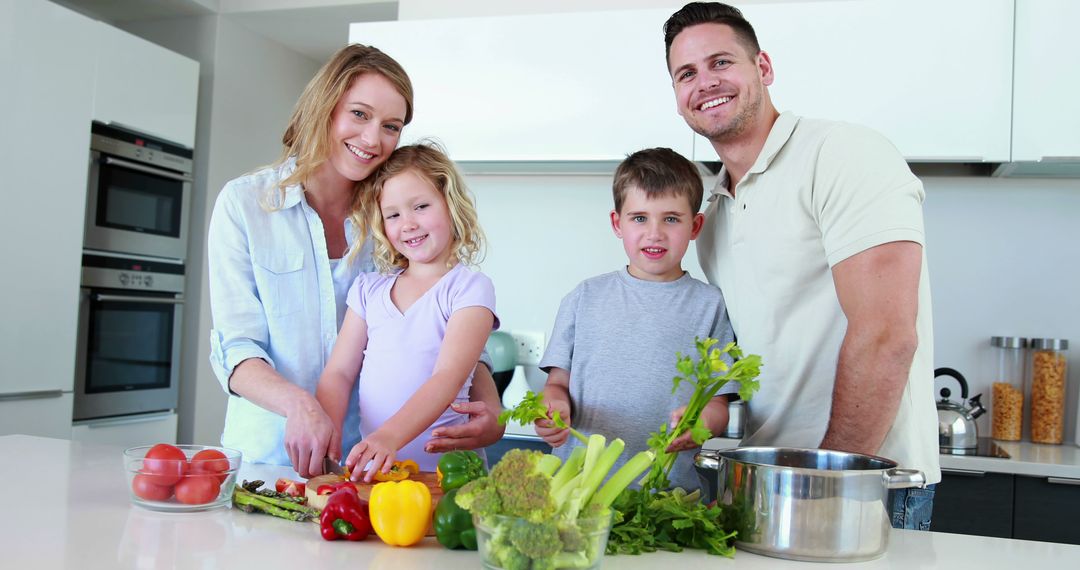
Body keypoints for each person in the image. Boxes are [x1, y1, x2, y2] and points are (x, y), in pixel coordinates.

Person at [662, 3, 941, 529]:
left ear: (762, 68)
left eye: (721, 62)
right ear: (678, 99)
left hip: (864, 487)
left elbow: (886, 336)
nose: (705, 82)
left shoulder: (842, 154)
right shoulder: (714, 214)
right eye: (687, 73)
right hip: (767, 483)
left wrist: (827, 485)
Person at [207, 44, 504, 478]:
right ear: (324, 108)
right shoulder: (246, 204)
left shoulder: (391, 214)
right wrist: (300, 404)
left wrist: (491, 405)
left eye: (391, 126)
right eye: (360, 114)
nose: (372, 139)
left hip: (379, 464)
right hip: (272, 456)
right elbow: (236, 348)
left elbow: (438, 332)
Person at [534, 147, 736, 491]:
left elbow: (719, 403)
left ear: (695, 225)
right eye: (639, 218)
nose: (654, 233)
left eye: (671, 218)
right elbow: (556, 385)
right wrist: (550, 409)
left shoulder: (711, 305)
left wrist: (701, 424)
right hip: (583, 492)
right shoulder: (584, 297)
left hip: (671, 495)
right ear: (618, 223)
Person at [315, 143, 497, 480]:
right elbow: (339, 372)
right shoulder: (369, 290)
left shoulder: (469, 288)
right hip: (379, 474)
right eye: (394, 214)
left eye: (421, 207)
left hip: (448, 476)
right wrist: (328, 433)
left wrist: (389, 436)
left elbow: (448, 377)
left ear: (450, 204)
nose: (408, 224)